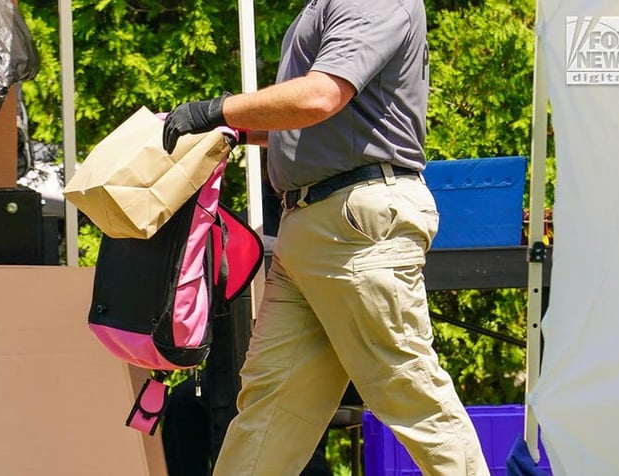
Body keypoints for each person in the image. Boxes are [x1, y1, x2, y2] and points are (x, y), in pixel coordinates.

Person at [161, 0, 490, 474]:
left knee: (408, 390)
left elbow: (318, 98)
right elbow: (313, 125)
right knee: (270, 407)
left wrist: (217, 111)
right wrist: (231, 128)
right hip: (313, 226)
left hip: (354, 220)